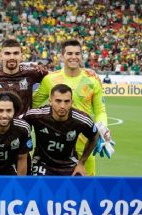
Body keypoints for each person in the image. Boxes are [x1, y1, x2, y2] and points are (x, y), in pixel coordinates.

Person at [32, 40, 110, 176]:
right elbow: (32, 105)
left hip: (84, 146)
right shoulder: (50, 79)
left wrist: (103, 128)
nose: (73, 57)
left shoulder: (92, 79)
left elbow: (100, 110)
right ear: (62, 56)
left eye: (77, 53)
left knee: (86, 191)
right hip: (55, 148)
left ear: (82, 56)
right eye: (69, 53)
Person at [22, 84, 99, 176]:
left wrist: (81, 163)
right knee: (40, 188)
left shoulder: (82, 120)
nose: (62, 106)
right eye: (58, 101)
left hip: (69, 164)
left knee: (76, 188)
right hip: (41, 163)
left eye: (67, 101)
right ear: (50, 101)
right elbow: (18, 126)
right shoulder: (36, 116)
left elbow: (94, 136)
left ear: (72, 102)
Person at [0, 39, 48, 117]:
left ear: (21, 56)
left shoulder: (32, 73)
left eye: (16, 53)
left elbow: (55, 77)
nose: (12, 57)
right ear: (1, 56)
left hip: (24, 127)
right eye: (7, 53)